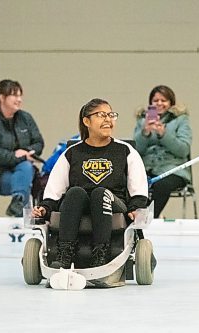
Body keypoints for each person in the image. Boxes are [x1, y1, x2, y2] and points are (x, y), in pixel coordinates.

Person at [32, 98, 149, 269]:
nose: (108, 119)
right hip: (80, 203)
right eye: (101, 115)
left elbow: (138, 185)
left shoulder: (125, 151)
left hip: (114, 203)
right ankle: (64, 254)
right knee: (75, 192)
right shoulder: (72, 153)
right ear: (86, 121)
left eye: (111, 115)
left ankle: (101, 255)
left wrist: (136, 206)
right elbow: (54, 189)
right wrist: (45, 207)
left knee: (100, 193)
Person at [0, 79, 44, 218]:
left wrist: (27, 152)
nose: (19, 100)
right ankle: (19, 210)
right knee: (25, 174)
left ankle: (17, 204)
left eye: (20, 96)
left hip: (21, 174)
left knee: (26, 169)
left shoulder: (25, 118)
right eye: (15, 96)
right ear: (2, 97)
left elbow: (38, 143)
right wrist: (19, 156)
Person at [133, 85, 192, 218]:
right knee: (130, 182)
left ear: (171, 103)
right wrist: (145, 133)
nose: (159, 104)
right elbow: (135, 151)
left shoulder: (181, 120)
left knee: (161, 186)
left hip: (173, 169)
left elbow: (183, 150)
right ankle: (134, 217)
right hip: (147, 168)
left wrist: (164, 134)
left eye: (163, 100)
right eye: (155, 101)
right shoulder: (142, 120)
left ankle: (149, 218)